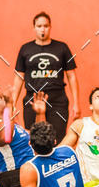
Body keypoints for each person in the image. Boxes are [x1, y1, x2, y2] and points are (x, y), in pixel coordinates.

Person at [11, 11, 80, 143]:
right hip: (32, 99)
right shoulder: (25, 49)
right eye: (39, 26)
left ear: (50, 27)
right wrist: (13, 104)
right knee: (34, 139)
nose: (43, 29)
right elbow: (19, 77)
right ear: (34, 27)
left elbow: (71, 76)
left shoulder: (61, 48)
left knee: (58, 139)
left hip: (57, 99)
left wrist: (76, 103)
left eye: (46, 26)